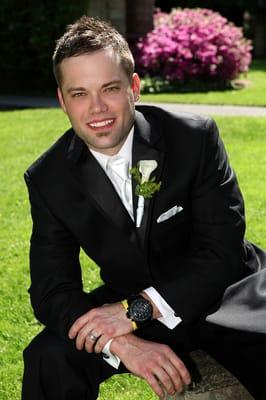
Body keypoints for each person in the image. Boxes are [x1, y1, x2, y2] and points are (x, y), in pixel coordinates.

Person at [22, 15, 266, 400]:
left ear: (134, 87)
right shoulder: (49, 177)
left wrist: (133, 312)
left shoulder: (193, 138)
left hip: (223, 297)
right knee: (47, 356)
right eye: (79, 93)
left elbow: (222, 251)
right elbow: (52, 290)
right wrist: (118, 343)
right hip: (132, 303)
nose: (97, 108)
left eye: (110, 88)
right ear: (62, 101)